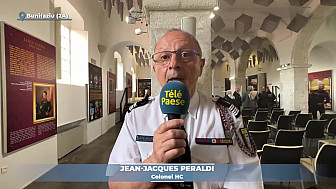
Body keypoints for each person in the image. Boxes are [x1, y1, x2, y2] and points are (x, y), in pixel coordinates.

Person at [107, 29, 262, 189]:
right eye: (164, 57)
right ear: (155, 69)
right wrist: (154, 161)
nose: (174, 64)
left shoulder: (227, 116)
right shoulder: (137, 115)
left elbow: (249, 181)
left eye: (186, 55)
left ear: (200, 66)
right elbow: (116, 181)